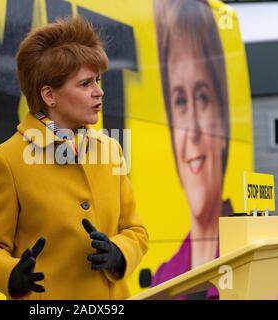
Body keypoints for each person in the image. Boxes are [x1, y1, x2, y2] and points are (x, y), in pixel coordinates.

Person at [0, 16, 148, 300]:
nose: (99, 91)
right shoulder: (6, 159)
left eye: (98, 80)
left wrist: (118, 253)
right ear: (49, 95)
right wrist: (13, 275)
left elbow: (136, 231)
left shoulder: (110, 149)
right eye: (86, 83)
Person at [151, 0, 232, 299]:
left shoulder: (247, 257)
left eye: (202, 97)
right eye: (181, 102)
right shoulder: (162, 279)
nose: (194, 130)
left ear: (223, 122)